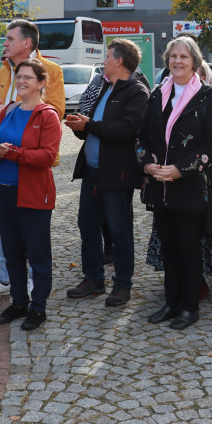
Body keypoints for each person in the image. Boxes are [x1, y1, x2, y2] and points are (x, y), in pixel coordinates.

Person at [137, 36, 212, 330]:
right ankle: (171, 301)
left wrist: (179, 170)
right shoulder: (157, 94)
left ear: (195, 62)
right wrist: (147, 163)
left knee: (189, 248)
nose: (177, 61)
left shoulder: (208, 97)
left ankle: (189, 307)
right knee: (168, 248)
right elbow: (142, 138)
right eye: (173, 56)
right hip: (158, 186)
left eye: (184, 57)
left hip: (188, 186)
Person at [64, 39, 150, 307]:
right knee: (87, 225)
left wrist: (90, 126)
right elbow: (95, 125)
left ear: (120, 61)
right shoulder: (106, 86)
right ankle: (93, 278)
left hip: (117, 174)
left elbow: (126, 129)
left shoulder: (137, 92)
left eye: (107, 57)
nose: (104, 61)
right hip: (91, 170)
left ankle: (123, 284)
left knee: (119, 230)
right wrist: (80, 126)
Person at [0, 59, 61, 331]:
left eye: (28, 76)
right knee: (12, 251)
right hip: (4, 191)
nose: (22, 80)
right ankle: (18, 302)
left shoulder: (47, 115)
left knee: (38, 253)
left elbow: (48, 156)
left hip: (33, 193)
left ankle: (38, 307)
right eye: (19, 76)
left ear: (41, 82)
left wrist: (11, 153)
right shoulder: (10, 110)